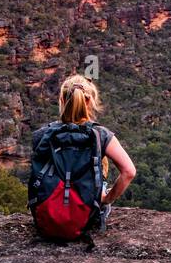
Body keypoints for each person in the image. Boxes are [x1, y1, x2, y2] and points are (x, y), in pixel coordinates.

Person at [27, 75, 136, 240]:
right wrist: (105, 199)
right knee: (100, 166)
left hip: (46, 221)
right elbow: (129, 171)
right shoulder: (101, 135)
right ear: (90, 101)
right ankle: (98, 208)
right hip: (83, 219)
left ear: (62, 100)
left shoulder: (42, 135)